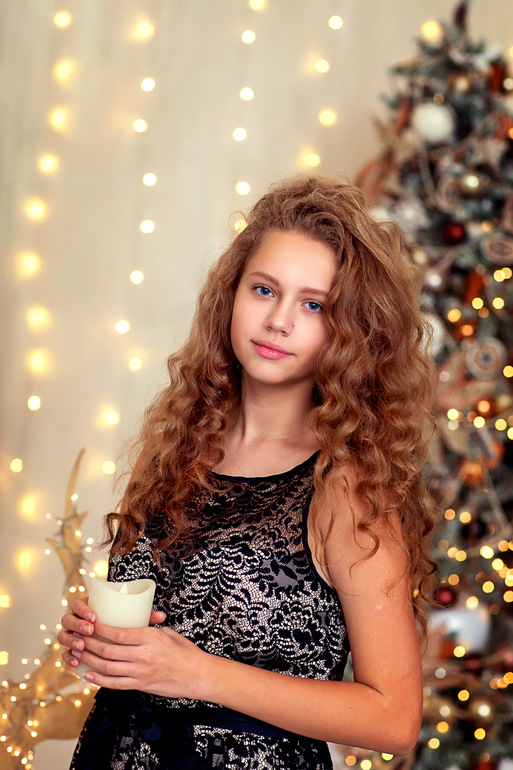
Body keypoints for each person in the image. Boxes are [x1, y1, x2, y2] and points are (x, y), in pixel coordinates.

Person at [59, 174, 437, 770]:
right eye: (264, 290)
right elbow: (155, 636)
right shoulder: (176, 451)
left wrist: (195, 673)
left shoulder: (347, 488)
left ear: (351, 331)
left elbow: (394, 719)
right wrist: (98, 641)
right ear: (231, 295)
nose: (278, 320)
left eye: (313, 304)